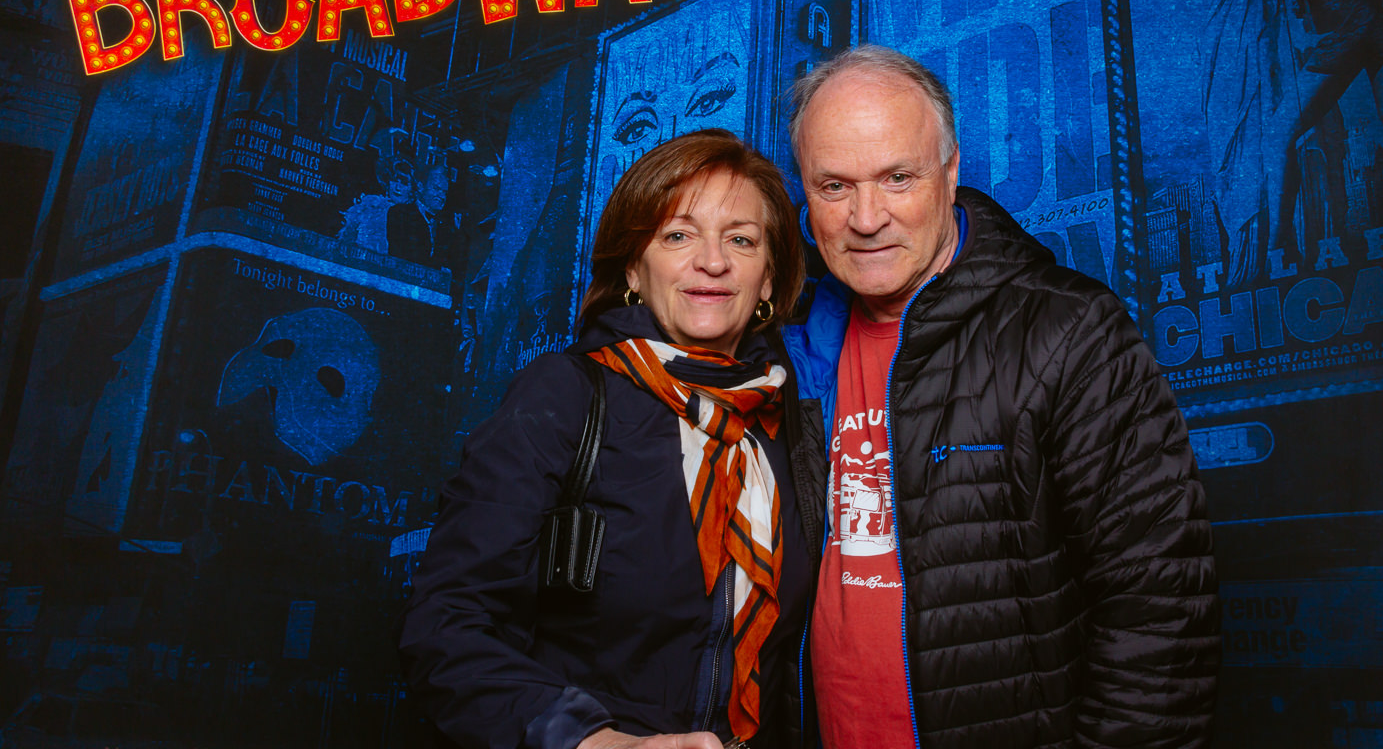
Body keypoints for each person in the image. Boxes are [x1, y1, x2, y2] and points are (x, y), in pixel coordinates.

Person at [781, 45, 1219, 749]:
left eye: (898, 178)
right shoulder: (792, 346)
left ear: (951, 170)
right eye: (834, 186)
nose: (865, 217)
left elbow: (1161, 606)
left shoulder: (1068, 329)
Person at [398, 129, 824, 749]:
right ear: (632, 268)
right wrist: (599, 742)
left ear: (767, 280)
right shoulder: (565, 395)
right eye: (678, 236)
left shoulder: (791, 425)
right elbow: (445, 624)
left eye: (741, 239)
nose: (713, 261)